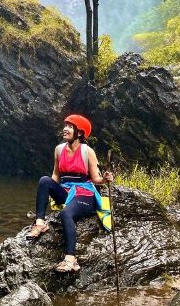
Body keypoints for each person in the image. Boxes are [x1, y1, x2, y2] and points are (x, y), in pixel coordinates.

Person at [26, 114, 113, 272]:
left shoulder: (87, 151)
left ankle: (71, 259)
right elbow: (55, 176)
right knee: (44, 180)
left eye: (70, 127)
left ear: (79, 133)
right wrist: (52, 190)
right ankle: (40, 223)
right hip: (67, 191)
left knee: (65, 213)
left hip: (85, 193)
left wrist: (105, 179)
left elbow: (95, 179)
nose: (65, 129)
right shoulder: (59, 150)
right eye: (65, 125)